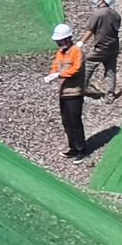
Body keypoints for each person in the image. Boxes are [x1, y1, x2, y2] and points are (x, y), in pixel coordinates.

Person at [45, 22, 89, 159]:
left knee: (75, 122)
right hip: (63, 92)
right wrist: (52, 74)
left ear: (68, 39)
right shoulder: (60, 53)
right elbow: (55, 65)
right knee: (67, 122)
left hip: (74, 92)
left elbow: (76, 69)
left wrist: (59, 74)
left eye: (60, 41)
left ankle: (81, 149)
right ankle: (73, 148)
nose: (58, 43)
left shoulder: (76, 51)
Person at [86, 0, 122, 97]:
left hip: (101, 47)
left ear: (103, 0)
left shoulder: (98, 14)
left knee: (88, 63)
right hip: (114, 46)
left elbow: (90, 30)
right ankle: (110, 95)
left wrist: (81, 42)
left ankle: (80, 88)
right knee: (110, 70)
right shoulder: (116, 15)